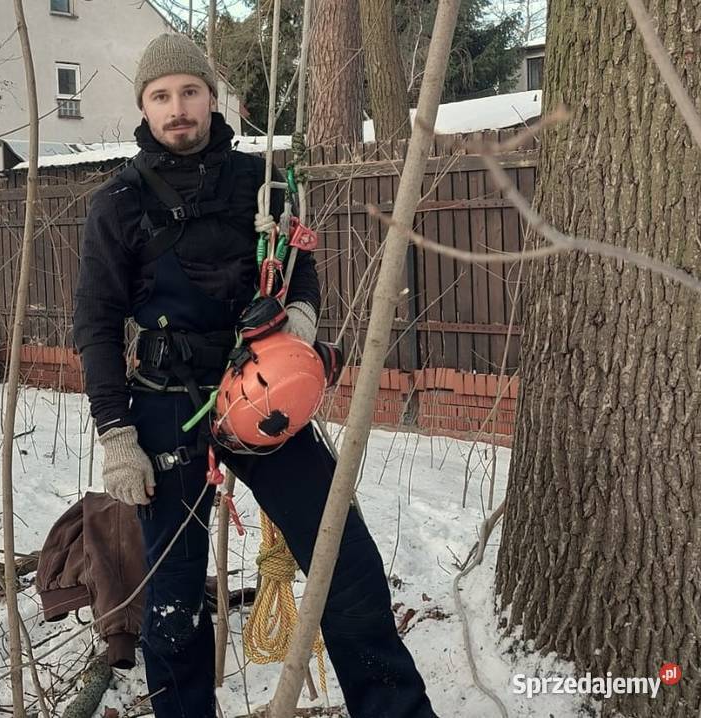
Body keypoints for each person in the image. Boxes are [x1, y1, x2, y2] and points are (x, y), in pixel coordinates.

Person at [72, 33, 437, 718]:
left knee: (343, 560)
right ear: (144, 108)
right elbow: (93, 324)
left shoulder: (261, 185)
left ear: (212, 98)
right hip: (165, 409)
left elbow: (300, 267)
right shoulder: (116, 205)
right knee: (175, 598)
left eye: (188, 91)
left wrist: (300, 317)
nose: (177, 108)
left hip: (259, 398)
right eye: (161, 97)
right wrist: (116, 432)